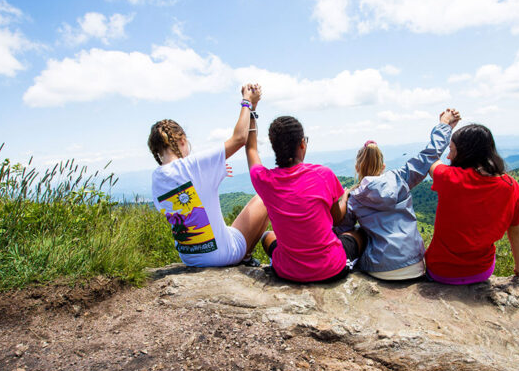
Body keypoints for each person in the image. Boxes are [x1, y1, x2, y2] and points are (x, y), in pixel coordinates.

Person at [148, 84, 269, 268]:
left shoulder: (156, 178)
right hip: (222, 255)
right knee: (265, 196)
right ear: (182, 140)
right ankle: (245, 257)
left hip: (189, 258)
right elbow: (239, 139)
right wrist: (247, 102)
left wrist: (215, 172)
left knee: (227, 228)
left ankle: (243, 255)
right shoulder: (191, 165)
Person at [336, 109, 460, 280]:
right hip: (415, 264)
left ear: (357, 168)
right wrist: (445, 126)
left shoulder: (355, 198)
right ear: (383, 167)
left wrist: (342, 200)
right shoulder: (400, 178)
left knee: (358, 231)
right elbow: (429, 155)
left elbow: (342, 230)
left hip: (380, 268)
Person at [245, 115, 366, 283]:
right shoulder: (323, 174)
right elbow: (337, 219)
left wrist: (251, 111)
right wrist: (344, 199)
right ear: (302, 143)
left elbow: (251, 149)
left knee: (267, 236)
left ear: (275, 147)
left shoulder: (264, 180)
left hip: (287, 272)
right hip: (330, 268)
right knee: (359, 232)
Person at [424, 124, 519, 284]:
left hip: (441, 272)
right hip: (480, 272)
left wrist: (444, 125)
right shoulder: (510, 185)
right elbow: (516, 234)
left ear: (465, 153)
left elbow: (429, 158)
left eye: (451, 150)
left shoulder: (450, 178)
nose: (449, 157)